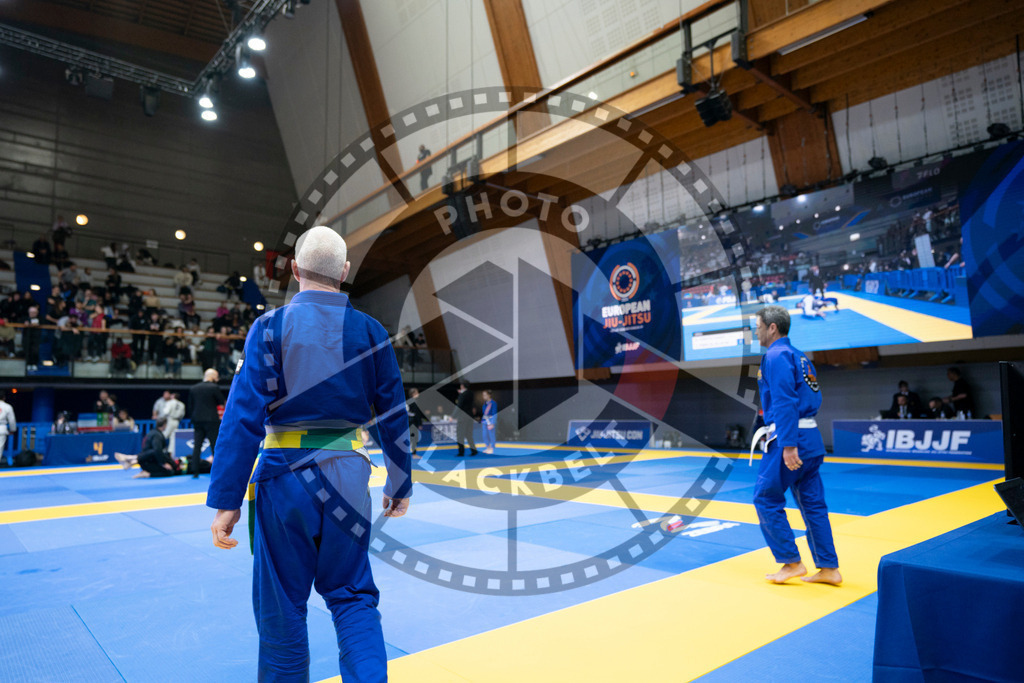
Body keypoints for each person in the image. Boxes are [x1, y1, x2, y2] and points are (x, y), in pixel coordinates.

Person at [206, 225, 412, 682]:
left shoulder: (269, 328)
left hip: (285, 475)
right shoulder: (371, 331)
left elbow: (242, 419)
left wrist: (226, 500)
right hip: (350, 474)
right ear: (344, 271)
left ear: (295, 269)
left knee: (282, 608)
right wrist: (401, 485)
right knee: (353, 595)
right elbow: (394, 417)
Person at [753, 305, 841, 586]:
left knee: (766, 498)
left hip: (789, 441)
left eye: (758, 326)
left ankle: (791, 562)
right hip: (811, 439)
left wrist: (788, 444)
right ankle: (829, 568)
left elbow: (784, 401)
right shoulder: (799, 356)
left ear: (772, 327)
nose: (755, 331)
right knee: (813, 505)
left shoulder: (775, 355)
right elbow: (813, 398)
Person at [188, 368, 224, 479]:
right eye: (216, 377)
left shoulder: (193, 388)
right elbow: (222, 402)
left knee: (197, 446)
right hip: (211, 420)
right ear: (213, 377)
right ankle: (217, 470)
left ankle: (195, 471)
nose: (217, 380)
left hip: (197, 420)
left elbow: (190, 406)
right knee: (214, 445)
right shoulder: (214, 387)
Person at [454, 381, 477, 457]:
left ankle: (461, 452)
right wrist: (461, 394)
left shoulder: (462, 395)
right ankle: (474, 450)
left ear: (462, 386)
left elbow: (459, 406)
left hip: (462, 418)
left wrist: (452, 416)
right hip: (470, 417)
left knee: (460, 435)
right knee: (469, 434)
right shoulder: (471, 393)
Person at [407, 387, 426, 455]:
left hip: (409, 421)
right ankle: (413, 452)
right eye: (417, 393)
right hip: (413, 421)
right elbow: (418, 414)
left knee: (411, 436)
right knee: (414, 437)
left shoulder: (408, 401)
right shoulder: (414, 402)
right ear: (413, 394)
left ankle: (412, 450)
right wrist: (420, 423)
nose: (418, 394)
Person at [0, 391, 16, 461]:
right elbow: (11, 420)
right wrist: (12, 430)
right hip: (1, 429)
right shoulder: (7, 407)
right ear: (4, 398)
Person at [481, 389, 497, 454]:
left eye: (485, 395)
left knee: (491, 435)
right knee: (484, 435)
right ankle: (487, 447)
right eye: (483, 395)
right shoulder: (484, 404)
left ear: (489, 395)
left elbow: (494, 413)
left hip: (490, 420)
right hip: (485, 420)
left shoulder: (493, 403)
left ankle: (492, 448)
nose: (483, 396)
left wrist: (493, 423)